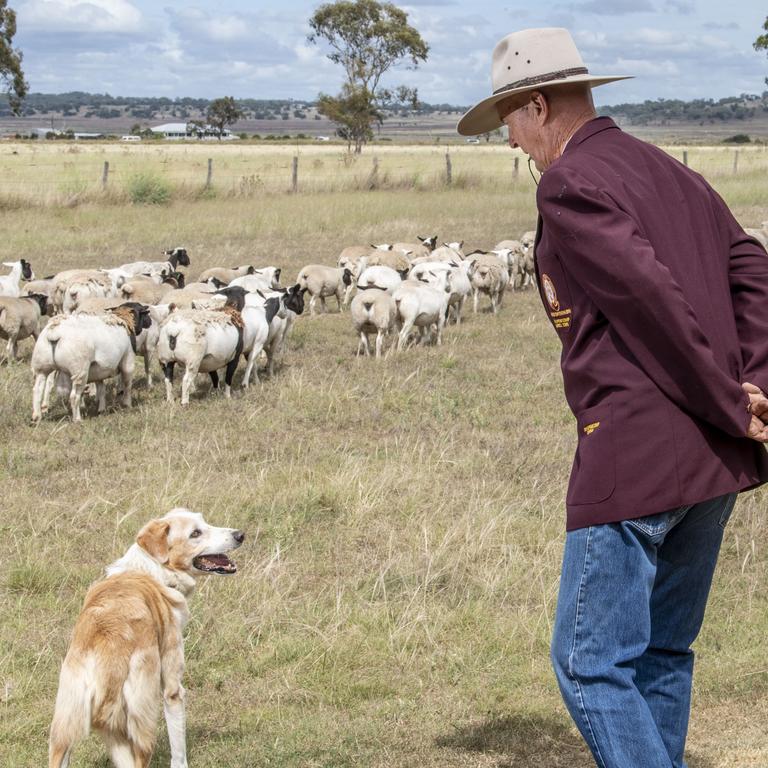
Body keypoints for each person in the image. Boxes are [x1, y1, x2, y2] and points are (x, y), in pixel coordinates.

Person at [458, 27, 768, 768]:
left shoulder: (567, 181)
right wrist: (755, 383)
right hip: (714, 463)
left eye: (509, 120)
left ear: (537, 104)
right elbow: (751, 267)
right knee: (663, 648)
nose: (509, 141)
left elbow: (650, 303)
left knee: (590, 663)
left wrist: (734, 399)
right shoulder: (668, 168)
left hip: (637, 454)